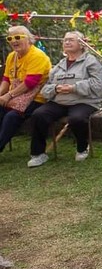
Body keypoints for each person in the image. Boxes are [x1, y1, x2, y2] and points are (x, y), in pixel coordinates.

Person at [32, 31, 102, 163]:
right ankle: (38, 154)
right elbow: (45, 89)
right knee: (39, 114)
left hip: (83, 101)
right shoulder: (59, 65)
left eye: (71, 40)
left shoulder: (91, 62)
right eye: (65, 40)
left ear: (82, 44)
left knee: (77, 118)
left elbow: (99, 85)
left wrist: (74, 87)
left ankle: (82, 148)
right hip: (59, 101)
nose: (67, 42)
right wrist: (56, 88)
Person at [0, 25, 52, 166]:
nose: (13, 41)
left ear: (29, 39)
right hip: (15, 96)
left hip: (37, 98)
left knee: (12, 117)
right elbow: (6, 79)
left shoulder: (37, 56)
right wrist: (1, 95)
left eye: (18, 37)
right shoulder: (12, 56)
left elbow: (30, 83)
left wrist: (8, 96)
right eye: (10, 38)